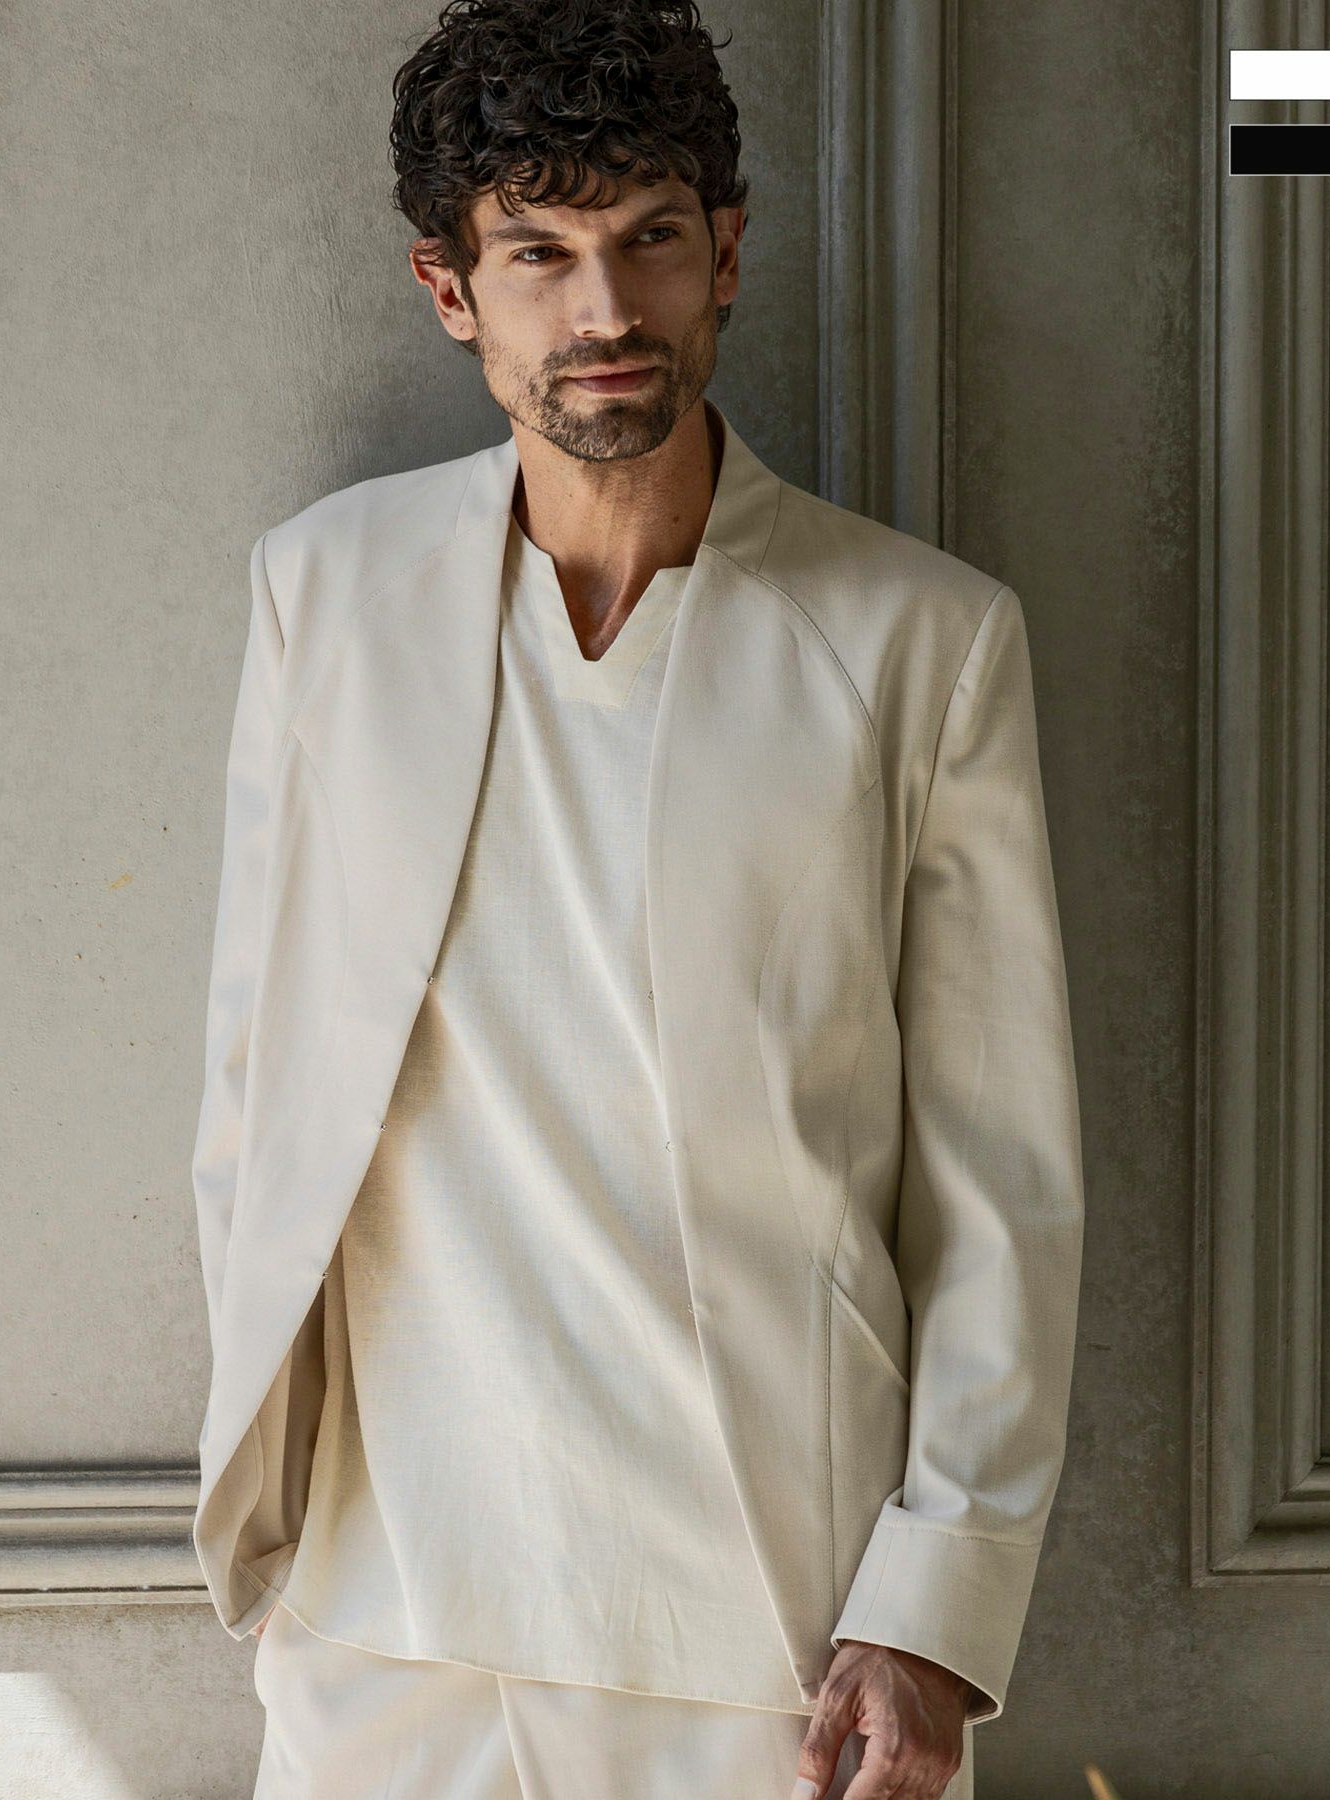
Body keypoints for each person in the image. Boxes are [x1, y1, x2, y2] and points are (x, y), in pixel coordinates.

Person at [189, 2, 1086, 1796]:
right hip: (382, 1616)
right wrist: (281, 1539)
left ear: (724, 254)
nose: (603, 311)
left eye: (649, 238)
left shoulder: (921, 641)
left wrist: (934, 1607)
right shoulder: (327, 593)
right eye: (537, 253)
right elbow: (253, 1077)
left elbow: (1001, 1177)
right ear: (451, 290)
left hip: (771, 1632)